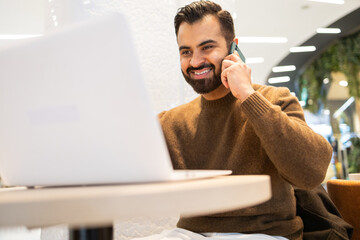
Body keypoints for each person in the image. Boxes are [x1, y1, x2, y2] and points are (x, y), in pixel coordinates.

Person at [136, 1, 333, 239]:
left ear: (233, 49)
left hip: (265, 234)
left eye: (207, 47)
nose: (196, 61)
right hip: (190, 234)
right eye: (186, 51)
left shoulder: (274, 100)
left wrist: (248, 96)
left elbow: (311, 173)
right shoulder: (170, 123)